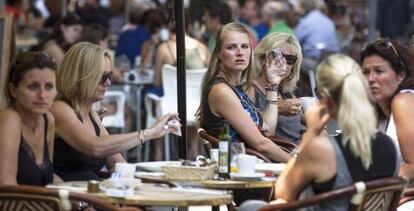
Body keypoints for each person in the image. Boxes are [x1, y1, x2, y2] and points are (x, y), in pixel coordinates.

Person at [274, 54, 398, 210]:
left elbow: (283, 193)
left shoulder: (321, 149)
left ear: (325, 100)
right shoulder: (389, 146)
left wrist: (311, 134)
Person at [52, 42, 178, 181]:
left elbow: (116, 162)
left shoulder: (91, 113)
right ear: (80, 76)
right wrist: (149, 133)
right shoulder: (60, 109)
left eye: (109, 76)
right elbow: (95, 147)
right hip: (72, 198)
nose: (108, 83)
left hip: (94, 194)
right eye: (101, 77)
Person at [195, 22, 290, 163]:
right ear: (219, 54)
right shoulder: (221, 90)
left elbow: (267, 131)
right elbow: (261, 144)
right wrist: (296, 163)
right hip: (239, 169)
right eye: (231, 47)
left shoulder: (237, 87)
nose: (240, 52)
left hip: (253, 163)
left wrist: (272, 86)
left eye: (245, 46)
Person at [0, 51, 59, 185]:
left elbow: (48, 177)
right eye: (33, 86)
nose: (42, 95)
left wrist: (83, 200)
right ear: (13, 90)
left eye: (49, 87)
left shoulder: (48, 120)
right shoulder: (9, 119)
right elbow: (6, 188)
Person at [360, 39, 414, 178]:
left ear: (401, 75)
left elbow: (413, 166)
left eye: (379, 71)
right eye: (366, 72)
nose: (371, 79)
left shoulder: (403, 100)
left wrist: (370, 184)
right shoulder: (377, 111)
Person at [247, 32, 303, 144]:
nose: (284, 63)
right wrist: (277, 108)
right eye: (278, 57)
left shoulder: (285, 91)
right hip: (280, 155)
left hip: (299, 149)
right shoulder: (250, 89)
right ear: (263, 59)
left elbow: (306, 117)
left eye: (290, 59)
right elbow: (250, 126)